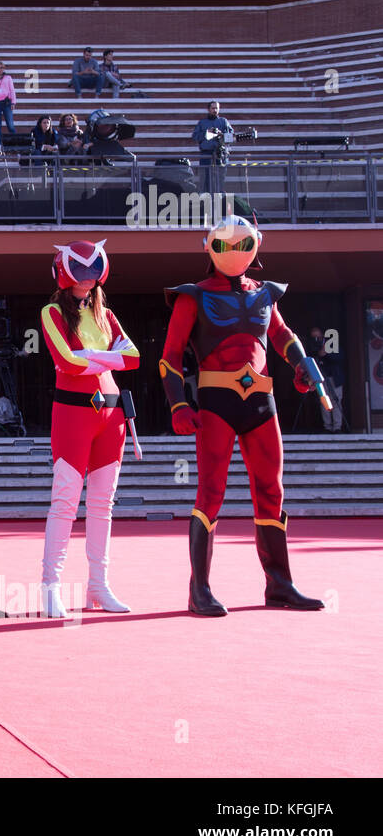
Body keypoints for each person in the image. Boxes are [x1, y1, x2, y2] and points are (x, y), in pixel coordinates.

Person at [160, 215, 325, 616]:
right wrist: (179, 403)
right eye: (224, 245)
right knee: (211, 492)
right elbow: (169, 357)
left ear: (255, 246)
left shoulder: (265, 293)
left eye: (242, 244)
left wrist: (302, 364)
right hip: (216, 401)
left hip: (261, 402)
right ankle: (199, 588)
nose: (233, 252)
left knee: (271, 490)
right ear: (210, 248)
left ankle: (280, 584)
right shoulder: (193, 296)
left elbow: (282, 335)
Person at [39, 241, 139, 618]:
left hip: (111, 416)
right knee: (64, 501)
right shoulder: (52, 311)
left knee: (102, 506)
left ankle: (99, 585)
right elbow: (64, 362)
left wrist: (88, 357)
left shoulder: (106, 315)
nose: (85, 277)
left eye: (92, 268)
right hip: (72, 414)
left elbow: (134, 358)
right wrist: (104, 359)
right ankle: (51, 586)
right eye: (78, 269)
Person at [192, 100, 234, 195]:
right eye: (213, 108)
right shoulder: (202, 123)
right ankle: (206, 198)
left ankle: (220, 198)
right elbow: (195, 136)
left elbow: (231, 136)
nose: (215, 110)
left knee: (220, 178)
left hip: (220, 154)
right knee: (205, 178)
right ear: (208, 109)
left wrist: (222, 134)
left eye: (217, 108)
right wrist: (207, 133)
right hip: (206, 154)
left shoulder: (223, 122)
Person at [308, 327, 344, 432]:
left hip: (334, 377)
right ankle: (327, 426)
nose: (316, 339)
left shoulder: (332, 343)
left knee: (336, 400)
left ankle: (337, 427)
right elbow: (310, 358)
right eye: (313, 337)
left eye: (318, 336)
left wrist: (327, 353)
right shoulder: (312, 345)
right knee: (323, 401)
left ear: (322, 334)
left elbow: (340, 357)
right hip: (320, 377)